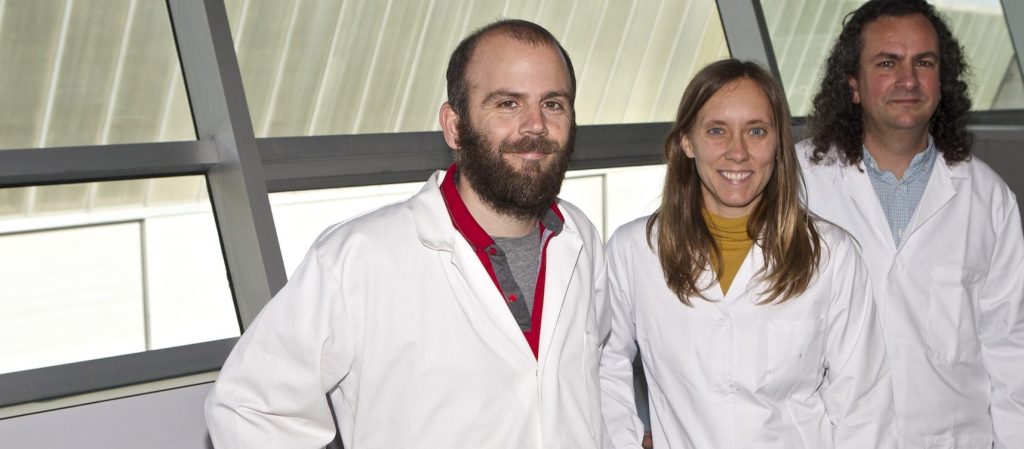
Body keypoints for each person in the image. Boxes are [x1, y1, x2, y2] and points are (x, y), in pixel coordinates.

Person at [205, 19, 609, 449]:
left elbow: (589, 387)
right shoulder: (359, 257)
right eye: (508, 103)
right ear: (454, 126)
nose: (535, 126)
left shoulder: (579, 238)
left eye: (553, 104)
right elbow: (249, 408)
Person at [600, 59, 896, 449]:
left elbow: (865, 407)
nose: (737, 152)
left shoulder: (832, 255)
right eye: (717, 131)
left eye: (756, 131)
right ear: (688, 142)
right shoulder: (633, 250)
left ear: (778, 143)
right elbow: (604, 366)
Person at [800, 0, 1024, 447]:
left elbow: (1011, 350)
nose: (908, 79)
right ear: (854, 85)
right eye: (887, 62)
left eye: (924, 62)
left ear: (942, 82)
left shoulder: (989, 198)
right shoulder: (796, 183)